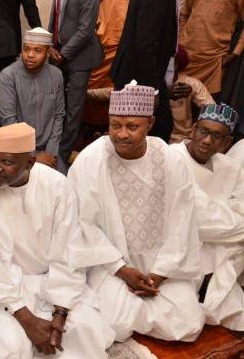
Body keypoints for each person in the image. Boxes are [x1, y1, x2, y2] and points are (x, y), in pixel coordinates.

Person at [0, 123, 115, 358]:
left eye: (7, 162)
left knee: (82, 331)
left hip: (52, 281)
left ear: (30, 163)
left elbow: (70, 251)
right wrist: (27, 319)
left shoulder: (57, 185)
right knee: (10, 344)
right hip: (1, 291)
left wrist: (60, 313)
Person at [68, 81, 205, 342]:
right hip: (110, 263)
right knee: (116, 325)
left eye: (132, 126)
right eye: (115, 125)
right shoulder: (91, 160)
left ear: (150, 124)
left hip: (162, 263)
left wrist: (160, 273)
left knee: (187, 324)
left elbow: (182, 220)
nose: (121, 134)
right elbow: (84, 224)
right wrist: (122, 269)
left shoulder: (171, 159)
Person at [111, 0, 204, 141]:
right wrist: (152, 92)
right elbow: (146, 44)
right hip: (137, 79)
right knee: (148, 135)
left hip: (140, 75)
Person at [170, 103, 244, 331]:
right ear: (193, 130)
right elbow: (196, 219)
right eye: (203, 132)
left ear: (226, 143)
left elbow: (239, 207)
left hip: (220, 249)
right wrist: (231, 221)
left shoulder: (229, 166)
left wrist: (224, 222)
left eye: (217, 136)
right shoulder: (173, 159)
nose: (207, 141)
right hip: (177, 245)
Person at [47, 0, 103, 172]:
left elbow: (86, 30)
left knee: (73, 110)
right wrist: (49, 44)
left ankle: (62, 156)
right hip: (58, 53)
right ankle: (51, 147)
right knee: (56, 104)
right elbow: (56, 19)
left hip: (79, 58)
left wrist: (62, 54)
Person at [84, 0, 143, 127]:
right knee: (93, 89)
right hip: (103, 47)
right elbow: (90, 12)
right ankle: (87, 125)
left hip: (128, 49)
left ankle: (111, 127)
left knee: (119, 91)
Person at [180, 0, 244, 103]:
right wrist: (180, 41)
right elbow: (184, 14)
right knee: (180, 103)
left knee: (207, 105)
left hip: (215, 58)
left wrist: (235, 53)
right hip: (187, 54)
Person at [0, 28, 64, 171]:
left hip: (48, 148)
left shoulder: (56, 75)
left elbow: (59, 116)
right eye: (26, 49)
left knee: (63, 183)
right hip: (13, 148)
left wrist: (51, 152)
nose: (30, 55)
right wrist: (32, 156)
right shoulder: (8, 76)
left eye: (38, 50)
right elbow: (9, 123)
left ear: (48, 52)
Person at [169, 47, 215, 143]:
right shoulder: (149, 82)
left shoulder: (191, 83)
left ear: (176, 64)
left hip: (182, 140)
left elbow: (212, 110)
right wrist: (165, 94)